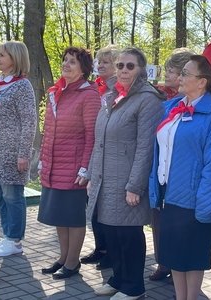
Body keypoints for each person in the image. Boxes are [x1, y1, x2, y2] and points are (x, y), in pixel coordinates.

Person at [149, 40, 211, 300]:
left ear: (202, 82)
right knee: (174, 255)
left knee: (191, 258)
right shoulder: (173, 108)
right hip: (169, 194)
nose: (180, 77)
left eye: (186, 73)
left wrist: (204, 207)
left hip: (194, 200)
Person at [88, 47, 164, 300]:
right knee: (110, 231)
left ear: (141, 69)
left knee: (128, 233)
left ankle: (134, 287)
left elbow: (146, 146)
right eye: (120, 65)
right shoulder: (113, 95)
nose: (123, 70)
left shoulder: (148, 99)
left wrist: (135, 185)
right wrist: (90, 174)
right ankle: (118, 278)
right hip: (105, 177)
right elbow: (100, 139)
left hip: (128, 180)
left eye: (130, 66)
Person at [37, 47, 100, 279]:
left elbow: (92, 135)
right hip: (54, 165)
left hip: (74, 168)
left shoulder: (88, 94)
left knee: (73, 218)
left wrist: (86, 167)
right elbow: (49, 132)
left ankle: (73, 262)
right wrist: (44, 161)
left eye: (72, 62)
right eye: (64, 60)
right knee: (59, 216)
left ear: (84, 68)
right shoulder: (57, 92)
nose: (66, 64)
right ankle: (63, 257)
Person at [0, 41, 36, 257]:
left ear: (15, 58)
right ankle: (6, 235)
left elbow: (30, 122)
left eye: (2, 55)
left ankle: (15, 240)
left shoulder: (22, 86)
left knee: (12, 194)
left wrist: (23, 153)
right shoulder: (0, 83)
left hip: (11, 153)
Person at [149, 48, 195, 282]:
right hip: (160, 169)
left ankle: (176, 265)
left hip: (181, 174)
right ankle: (162, 260)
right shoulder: (162, 97)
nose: (167, 74)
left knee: (176, 223)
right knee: (158, 217)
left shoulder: (194, 103)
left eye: (172, 70)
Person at [80, 45, 120, 271]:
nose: (101, 65)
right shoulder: (95, 88)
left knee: (105, 207)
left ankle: (110, 252)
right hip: (95, 150)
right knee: (93, 205)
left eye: (106, 61)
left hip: (108, 153)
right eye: (99, 61)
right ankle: (100, 247)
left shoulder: (116, 90)